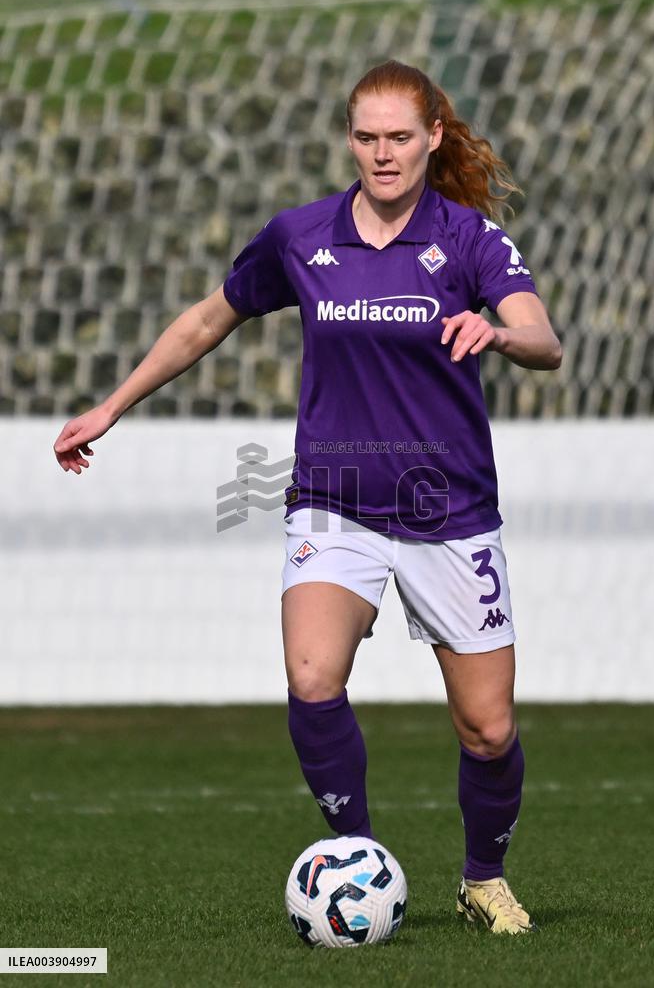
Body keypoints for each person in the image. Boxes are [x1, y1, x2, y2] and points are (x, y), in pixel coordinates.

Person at [54, 60, 561, 935]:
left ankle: (485, 878)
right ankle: (354, 864)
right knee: (312, 677)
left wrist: (501, 332)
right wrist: (110, 404)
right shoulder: (300, 236)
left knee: (487, 729)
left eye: (400, 136)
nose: (382, 153)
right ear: (349, 139)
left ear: (433, 136)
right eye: (366, 137)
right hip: (332, 502)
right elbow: (208, 319)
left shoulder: (470, 239)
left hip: (452, 513)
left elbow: (545, 338)